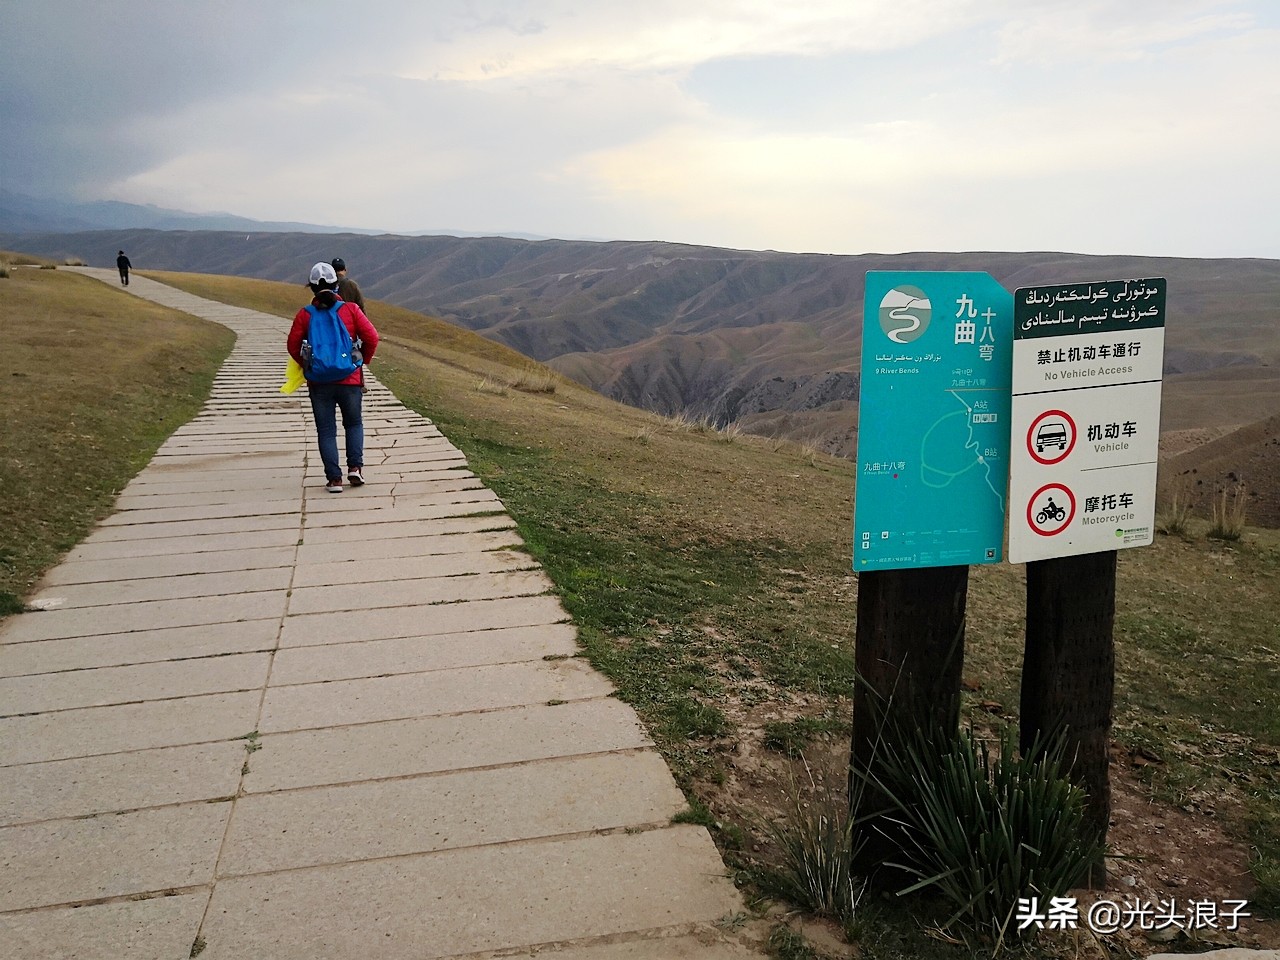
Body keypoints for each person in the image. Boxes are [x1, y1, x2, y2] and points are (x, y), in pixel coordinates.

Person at [287, 262, 379, 493]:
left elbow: (292, 346)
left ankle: (334, 479)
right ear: (337, 284)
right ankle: (355, 469)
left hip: (319, 382)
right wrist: (360, 361)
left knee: (326, 430)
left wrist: (309, 366)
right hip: (349, 379)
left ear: (312, 289)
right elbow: (372, 338)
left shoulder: (305, 314)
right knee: (354, 423)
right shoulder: (350, 310)